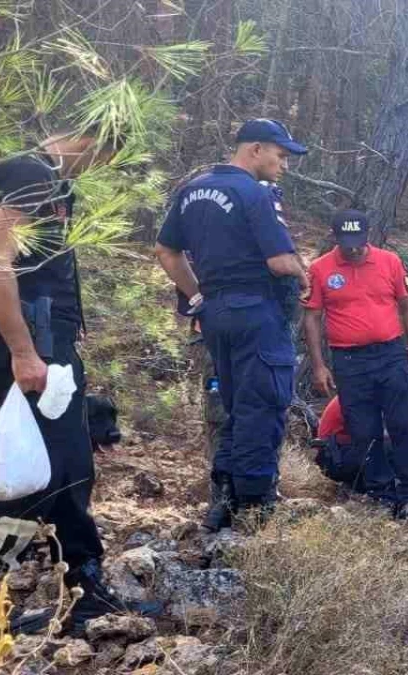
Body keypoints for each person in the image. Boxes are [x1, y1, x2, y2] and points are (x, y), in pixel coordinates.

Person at [0, 128, 155, 634]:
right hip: (31, 344)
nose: (102, 166)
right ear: (87, 137)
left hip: (47, 343)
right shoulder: (27, 173)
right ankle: (76, 589)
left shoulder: (55, 185)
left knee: (54, 472)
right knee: (57, 471)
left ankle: (72, 586)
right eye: (108, 154)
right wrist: (24, 351)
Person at [154, 118, 310, 531]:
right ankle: (255, 508)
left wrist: (199, 296)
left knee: (235, 409)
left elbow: (166, 251)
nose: (285, 164)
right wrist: (302, 270)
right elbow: (279, 262)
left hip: (215, 315)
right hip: (256, 314)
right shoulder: (253, 193)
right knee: (264, 406)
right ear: (254, 149)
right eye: (280, 155)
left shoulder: (191, 190)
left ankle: (222, 501)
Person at [303, 209, 408, 524]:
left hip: (390, 353)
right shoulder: (320, 270)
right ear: (335, 238)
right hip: (348, 359)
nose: (354, 249)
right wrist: (318, 366)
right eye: (347, 243)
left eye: (359, 241)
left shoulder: (390, 262)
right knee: (364, 429)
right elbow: (312, 318)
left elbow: (407, 305)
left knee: (402, 423)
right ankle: (381, 495)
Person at [311, 396, 408, 492]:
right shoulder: (356, 396)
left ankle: (385, 488)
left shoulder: (365, 392)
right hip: (333, 458)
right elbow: (369, 433)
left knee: (402, 440)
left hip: (342, 453)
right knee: (397, 445)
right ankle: (383, 491)